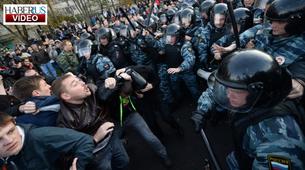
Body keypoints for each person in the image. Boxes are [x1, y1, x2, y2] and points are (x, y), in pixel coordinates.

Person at [210, 49, 305, 169]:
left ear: (259, 92)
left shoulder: (278, 142)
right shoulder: (251, 100)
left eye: (236, 91)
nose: (228, 95)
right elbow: (222, 89)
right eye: (228, 89)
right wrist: (202, 110)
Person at [51, 74, 129, 170]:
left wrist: (111, 84)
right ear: (66, 96)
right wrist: (94, 139)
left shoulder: (91, 91)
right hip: (96, 155)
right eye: (75, 84)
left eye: (79, 80)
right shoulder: (64, 122)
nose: (83, 83)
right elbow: (69, 155)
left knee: (124, 161)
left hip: (111, 138)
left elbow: (102, 91)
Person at [0, 112, 94, 170]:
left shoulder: (40, 135)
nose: (9, 141)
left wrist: (79, 167)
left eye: (11, 131)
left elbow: (84, 141)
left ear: (14, 123)